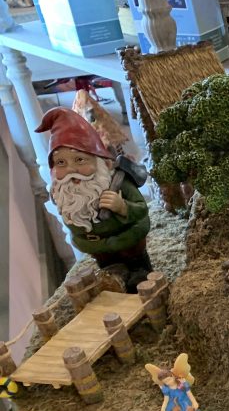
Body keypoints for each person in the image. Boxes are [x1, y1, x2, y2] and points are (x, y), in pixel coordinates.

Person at [35, 107, 151, 291]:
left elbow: (141, 209)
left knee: (139, 276)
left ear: (103, 162)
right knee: (110, 279)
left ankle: (139, 275)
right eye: (61, 163)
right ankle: (113, 280)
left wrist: (122, 207)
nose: (71, 169)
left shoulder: (119, 182)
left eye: (80, 160)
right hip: (98, 251)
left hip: (128, 243)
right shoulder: (62, 193)